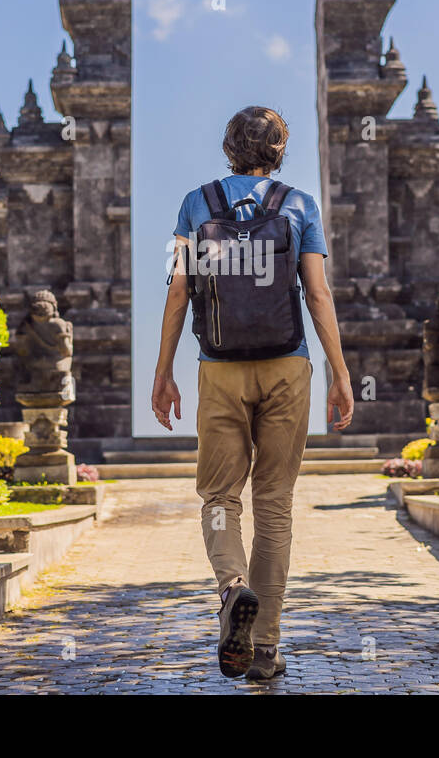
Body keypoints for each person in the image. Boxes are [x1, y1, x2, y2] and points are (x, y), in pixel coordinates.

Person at [151, 105, 354, 681]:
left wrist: (163, 372)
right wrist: (340, 372)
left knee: (220, 499)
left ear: (229, 148)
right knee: (274, 506)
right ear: (279, 149)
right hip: (288, 368)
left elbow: (178, 294)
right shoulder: (299, 205)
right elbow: (317, 296)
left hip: (219, 368)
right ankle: (264, 648)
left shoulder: (197, 204)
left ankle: (232, 589)